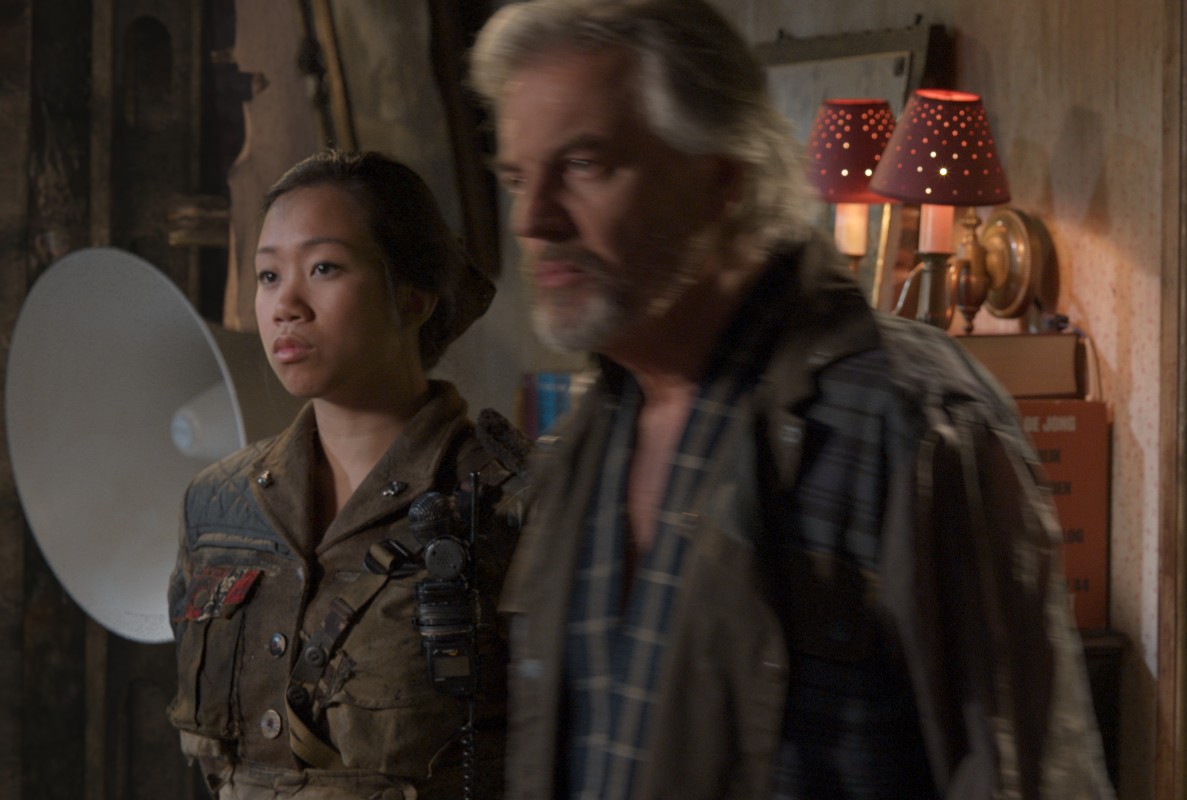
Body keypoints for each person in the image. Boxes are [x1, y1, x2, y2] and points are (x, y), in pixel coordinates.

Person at [468, 1, 1114, 798]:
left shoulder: (906, 422)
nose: (533, 219)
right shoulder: (585, 439)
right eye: (516, 178)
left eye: (584, 165)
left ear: (721, 181)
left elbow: (1024, 777)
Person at [166, 150, 527, 799]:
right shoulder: (218, 508)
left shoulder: (505, 502)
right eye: (268, 275)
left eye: (324, 267)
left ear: (413, 297)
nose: (285, 304)